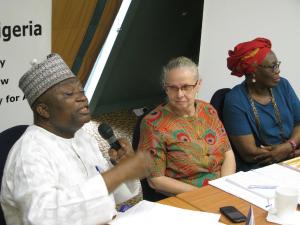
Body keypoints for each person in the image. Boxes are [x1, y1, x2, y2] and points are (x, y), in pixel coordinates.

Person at [0, 53, 151, 225]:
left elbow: (113, 197)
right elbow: (42, 218)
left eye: (82, 91)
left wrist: (121, 168)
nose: (82, 98)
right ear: (44, 110)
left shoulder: (82, 137)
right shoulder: (29, 153)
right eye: (69, 94)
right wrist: (119, 173)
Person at [138, 56, 236, 195]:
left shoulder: (208, 110)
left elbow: (228, 152)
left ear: (198, 85)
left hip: (222, 188)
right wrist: (203, 195)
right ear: (166, 88)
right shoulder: (153, 124)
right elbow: (156, 180)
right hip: (185, 195)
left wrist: (225, 187)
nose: (179, 94)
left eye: (186, 87)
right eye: (172, 88)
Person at [223, 37, 300, 171]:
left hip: (292, 156)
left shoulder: (283, 85)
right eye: (272, 67)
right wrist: (288, 152)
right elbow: (249, 153)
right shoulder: (235, 100)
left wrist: (289, 147)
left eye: (277, 64)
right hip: (260, 169)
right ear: (253, 71)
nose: (277, 71)